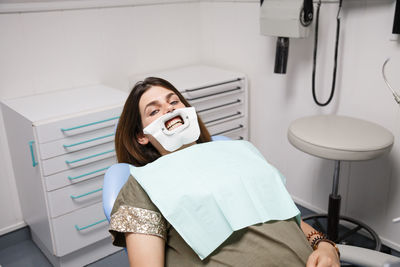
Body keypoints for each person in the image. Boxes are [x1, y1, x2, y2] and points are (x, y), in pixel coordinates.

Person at [109, 77, 340, 267]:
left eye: (174, 101)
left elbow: (284, 212)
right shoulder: (144, 183)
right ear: (141, 136)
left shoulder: (241, 151)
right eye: (153, 111)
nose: (168, 108)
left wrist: (325, 246)